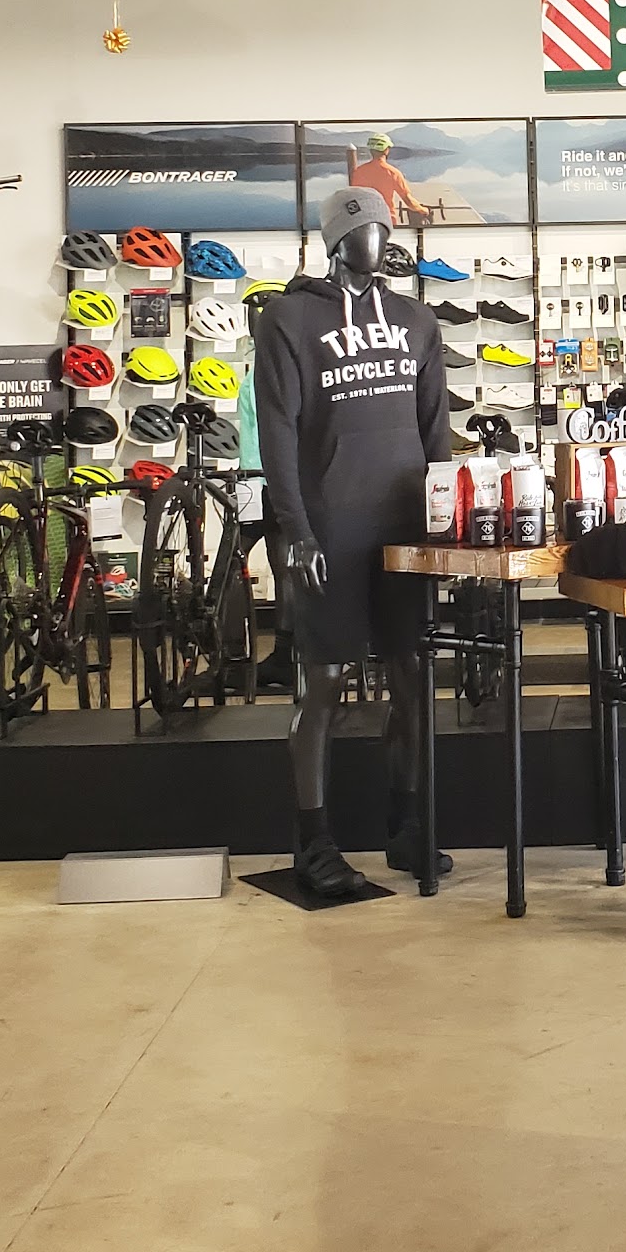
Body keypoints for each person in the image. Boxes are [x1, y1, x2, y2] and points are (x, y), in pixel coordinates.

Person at [254, 185, 451, 900]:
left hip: (403, 528)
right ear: (339, 239)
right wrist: (296, 529)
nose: (381, 240)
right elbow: (277, 432)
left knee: (413, 678)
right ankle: (313, 842)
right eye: (369, 229)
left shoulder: (417, 320)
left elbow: (435, 430)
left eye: (387, 229)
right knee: (325, 683)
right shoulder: (288, 319)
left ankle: (407, 825)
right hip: (331, 526)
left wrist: (443, 522)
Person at [348, 131, 428, 225]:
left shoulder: (358, 172)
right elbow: (409, 201)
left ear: (371, 151)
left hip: (365, 221)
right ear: (386, 150)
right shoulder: (393, 173)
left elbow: (354, 199)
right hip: (387, 221)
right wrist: (423, 210)